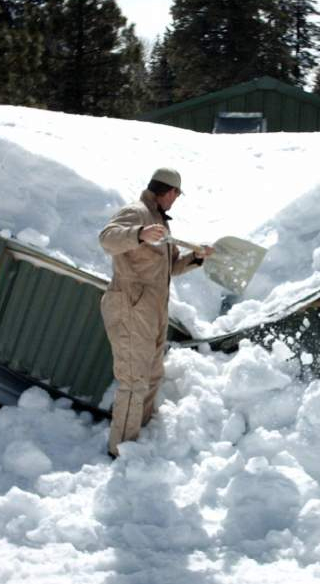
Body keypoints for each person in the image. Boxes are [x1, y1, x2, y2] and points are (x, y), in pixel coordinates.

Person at [99, 168, 213, 458]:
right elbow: (107, 239)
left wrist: (196, 258)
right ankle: (120, 453)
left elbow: (171, 267)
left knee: (151, 375)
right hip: (130, 304)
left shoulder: (161, 222)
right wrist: (138, 234)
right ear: (170, 191)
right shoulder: (136, 213)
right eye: (177, 194)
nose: (176, 200)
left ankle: (138, 436)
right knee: (134, 379)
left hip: (153, 308)